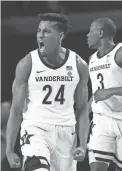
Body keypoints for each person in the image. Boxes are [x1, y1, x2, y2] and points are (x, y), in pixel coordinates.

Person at [6, 13, 89, 171]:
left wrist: (83, 145)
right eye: (39, 31)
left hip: (67, 133)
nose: (40, 35)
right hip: (35, 128)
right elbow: (16, 110)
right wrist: (9, 150)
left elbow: (82, 109)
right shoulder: (27, 64)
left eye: (46, 31)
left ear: (60, 36)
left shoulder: (79, 65)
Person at [87, 17, 122, 171]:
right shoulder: (92, 59)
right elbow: (97, 93)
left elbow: (105, 91)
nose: (87, 35)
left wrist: (112, 91)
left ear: (100, 33)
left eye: (90, 31)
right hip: (102, 120)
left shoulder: (120, 53)